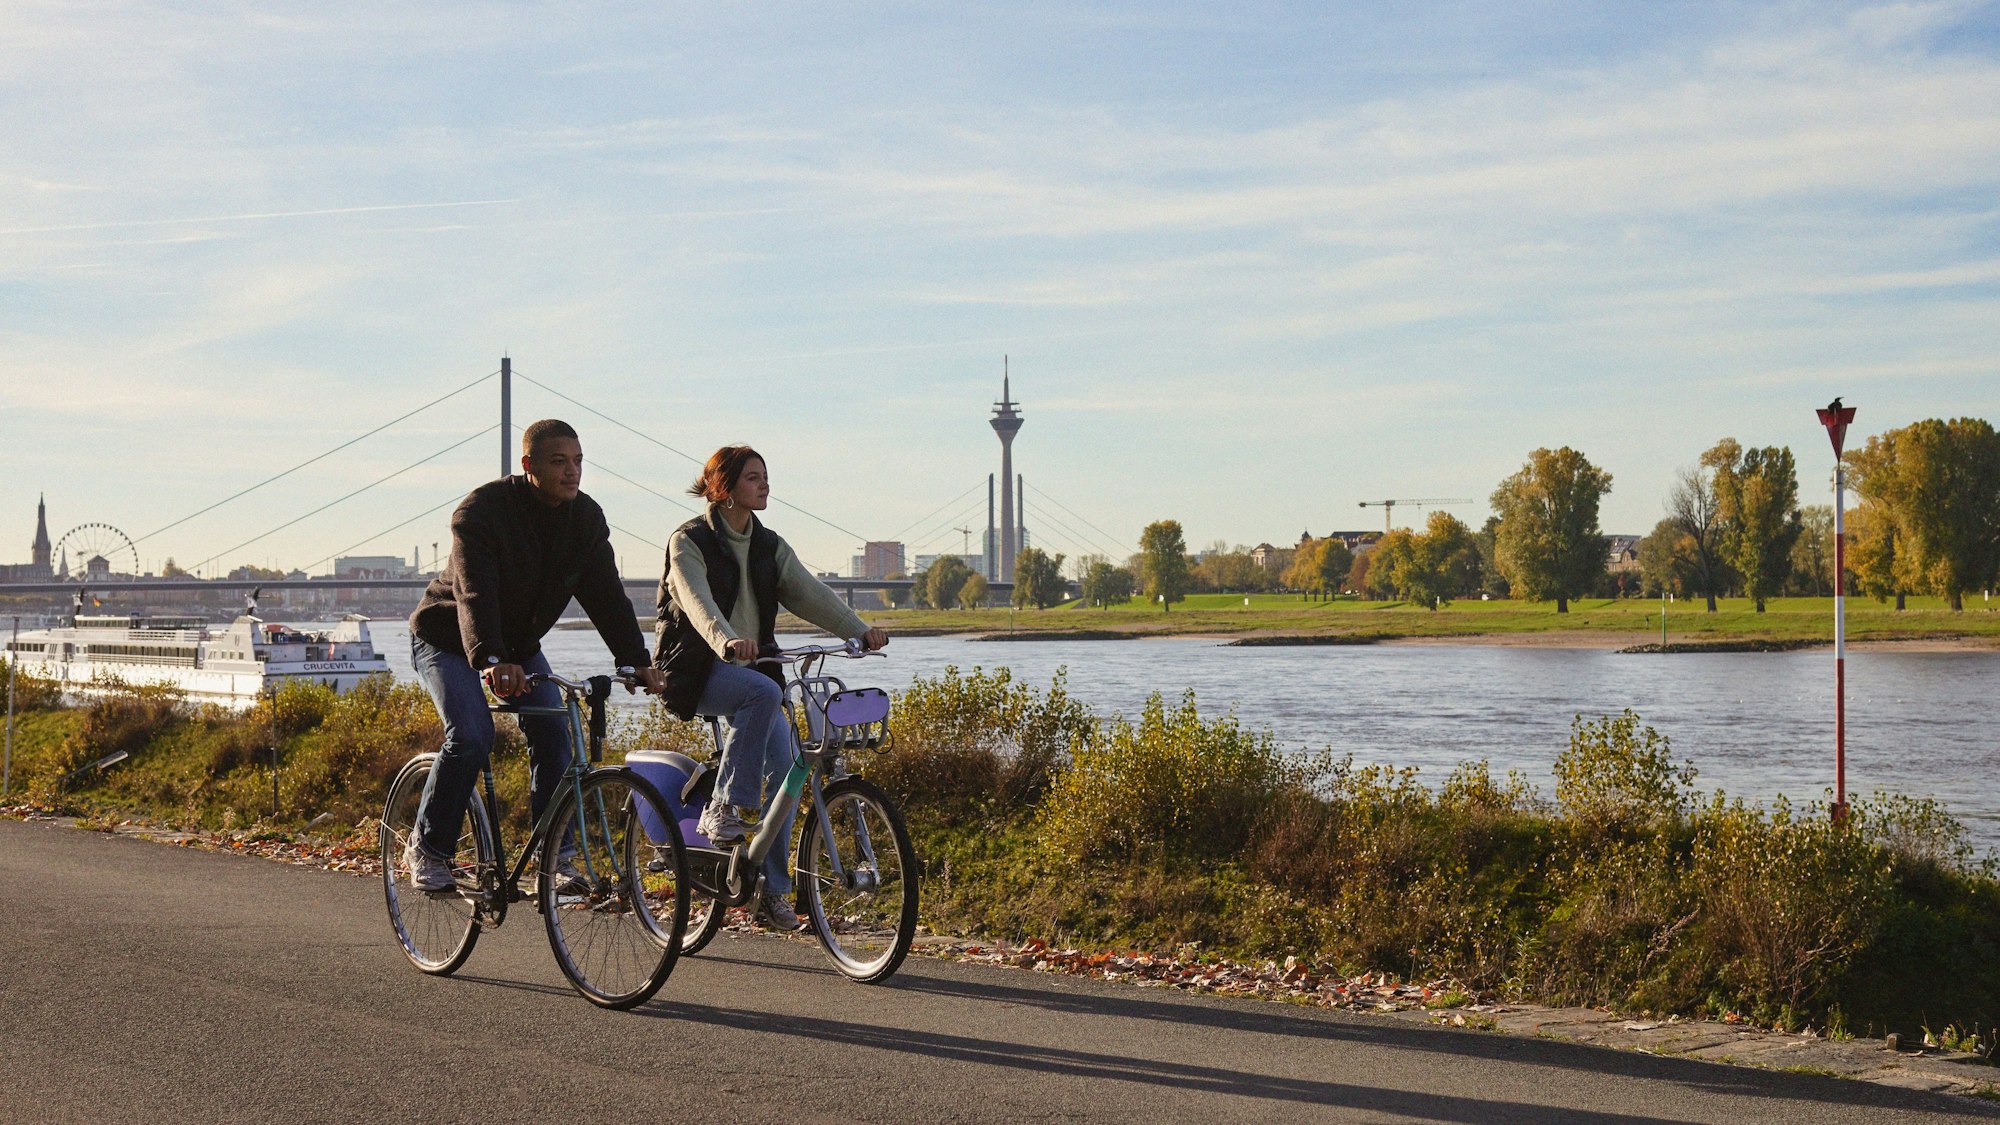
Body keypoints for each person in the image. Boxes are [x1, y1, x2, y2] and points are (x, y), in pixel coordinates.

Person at [402, 419, 664, 891]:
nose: (572, 471)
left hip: (518, 648)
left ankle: (554, 857)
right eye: (559, 462)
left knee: (553, 732)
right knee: (472, 734)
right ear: (528, 465)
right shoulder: (482, 511)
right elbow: (475, 592)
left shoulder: (585, 519)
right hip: (446, 639)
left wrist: (635, 660)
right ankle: (428, 847)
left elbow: (607, 595)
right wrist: (490, 658)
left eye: (578, 461)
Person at [653, 445, 886, 929]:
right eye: (753, 477)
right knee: (762, 693)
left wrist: (858, 630)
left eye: (765, 476)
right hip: (695, 669)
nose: (764, 485)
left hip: (754, 673)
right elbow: (696, 601)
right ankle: (723, 808)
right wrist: (725, 640)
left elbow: (809, 592)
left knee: (789, 771)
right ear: (724, 487)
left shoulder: (767, 544)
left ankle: (771, 892)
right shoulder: (689, 541)